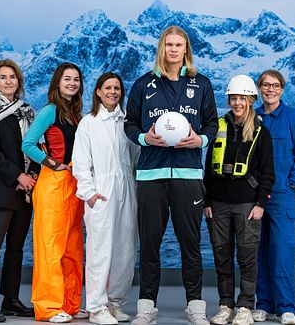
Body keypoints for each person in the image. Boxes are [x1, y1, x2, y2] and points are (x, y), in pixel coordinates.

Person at [124, 25, 218, 325]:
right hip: (151, 174)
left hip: (188, 175)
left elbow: (212, 124)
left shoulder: (201, 84)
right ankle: (146, 304)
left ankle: (195, 304)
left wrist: (200, 140)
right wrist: (144, 139)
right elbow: (130, 124)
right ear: (161, 49)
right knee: (149, 242)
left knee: (190, 242)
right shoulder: (143, 84)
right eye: (169, 45)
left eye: (179, 45)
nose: (174, 50)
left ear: (186, 49)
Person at [204, 75, 275, 325]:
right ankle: (226, 305)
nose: (237, 103)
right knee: (221, 256)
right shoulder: (218, 127)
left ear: (251, 100)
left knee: (247, 256)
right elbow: (207, 168)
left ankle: (246, 305)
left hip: (247, 204)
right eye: (233, 98)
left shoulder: (260, 132)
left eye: (242, 98)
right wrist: (207, 202)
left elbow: (268, 173)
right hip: (219, 203)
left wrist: (260, 205)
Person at [72, 72, 138, 325]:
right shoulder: (89, 123)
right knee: (100, 250)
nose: (113, 92)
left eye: (117, 88)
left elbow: (135, 156)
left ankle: (115, 302)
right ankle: (96, 306)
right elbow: (81, 162)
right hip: (101, 190)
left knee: (125, 249)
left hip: (127, 189)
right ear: (98, 91)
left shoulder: (127, 123)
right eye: (108, 88)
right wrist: (88, 193)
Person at [22, 62, 85, 323]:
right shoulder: (50, 111)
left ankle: (69, 304)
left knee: (72, 247)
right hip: (53, 184)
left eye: (76, 79)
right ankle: (48, 307)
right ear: (57, 82)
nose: (72, 83)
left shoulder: (75, 114)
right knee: (50, 246)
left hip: (74, 184)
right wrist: (51, 163)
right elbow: (28, 144)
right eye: (67, 78)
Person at [0, 59, 37, 322]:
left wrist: (32, 174)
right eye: (3, 77)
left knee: (16, 248)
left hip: (25, 191)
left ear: (19, 81)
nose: (9, 81)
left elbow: (34, 146)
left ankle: (10, 299)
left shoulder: (27, 111)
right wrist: (18, 175)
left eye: (13, 77)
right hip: (1, 188)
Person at [252, 69, 295, 325]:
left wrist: (292, 183)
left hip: (281, 194)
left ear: (282, 89)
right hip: (254, 194)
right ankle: (263, 304)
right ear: (259, 88)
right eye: (265, 85)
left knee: (283, 251)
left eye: (275, 85)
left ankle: (286, 307)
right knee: (258, 250)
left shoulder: (292, 118)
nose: (270, 89)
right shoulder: (252, 117)